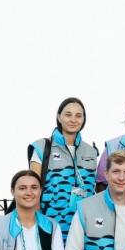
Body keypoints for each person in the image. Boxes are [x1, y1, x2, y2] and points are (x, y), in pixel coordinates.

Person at [28, 97, 98, 239]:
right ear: (59, 117)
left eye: (78, 115)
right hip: (50, 224)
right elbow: (32, 188)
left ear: (84, 119)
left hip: (84, 225)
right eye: (68, 114)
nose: (73, 119)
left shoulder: (91, 152)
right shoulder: (42, 147)